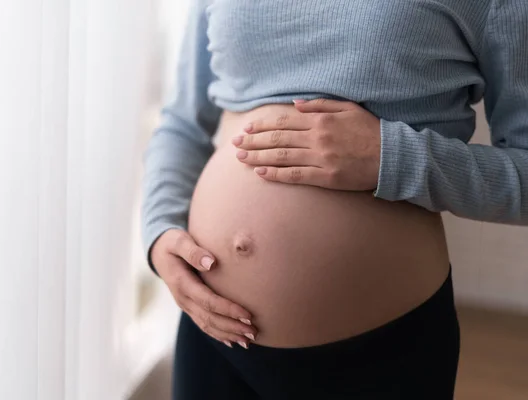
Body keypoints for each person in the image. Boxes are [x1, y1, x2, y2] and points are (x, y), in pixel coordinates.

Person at [141, 1, 528, 399]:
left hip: (377, 353)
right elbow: (183, 124)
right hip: (211, 338)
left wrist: (390, 157)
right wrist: (159, 233)